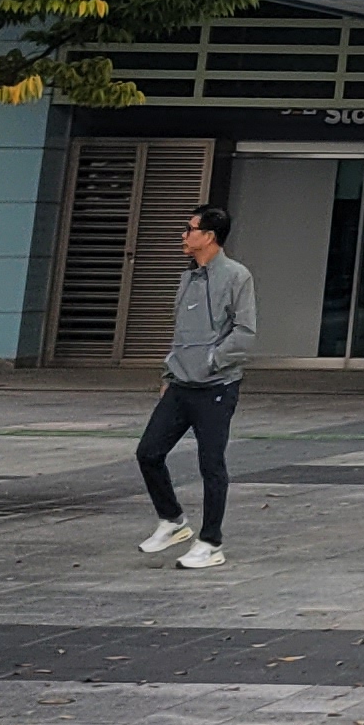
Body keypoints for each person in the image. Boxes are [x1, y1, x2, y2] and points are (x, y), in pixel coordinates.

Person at [136, 205, 256, 571]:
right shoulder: (188, 277)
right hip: (180, 384)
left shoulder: (237, 276)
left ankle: (210, 543)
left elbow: (245, 332)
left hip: (216, 386)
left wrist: (211, 361)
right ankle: (172, 520)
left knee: (211, 464)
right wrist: (169, 374)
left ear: (209, 236)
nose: (184, 235)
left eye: (190, 229)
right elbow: (181, 332)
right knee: (148, 452)